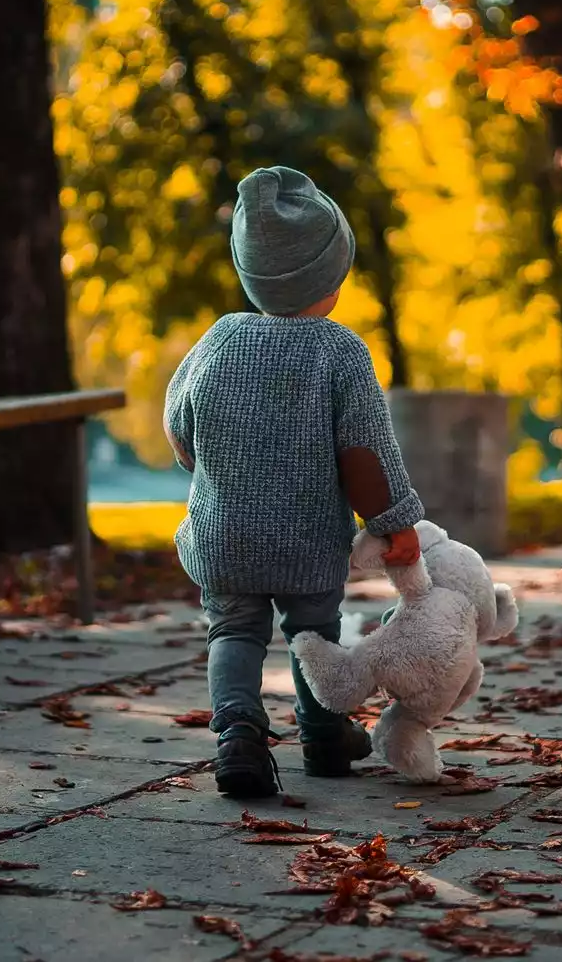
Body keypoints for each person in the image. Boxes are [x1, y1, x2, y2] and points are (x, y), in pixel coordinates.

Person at [163, 165, 423, 798]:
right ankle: (323, 735)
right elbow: (364, 452)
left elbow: (178, 422)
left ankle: (238, 736)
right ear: (331, 279)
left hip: (225, 533)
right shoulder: (339, 350)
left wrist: (212, 467)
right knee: (313, 634)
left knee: (232, 631)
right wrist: (395, 521)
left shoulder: (219, 338)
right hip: (307, 539)